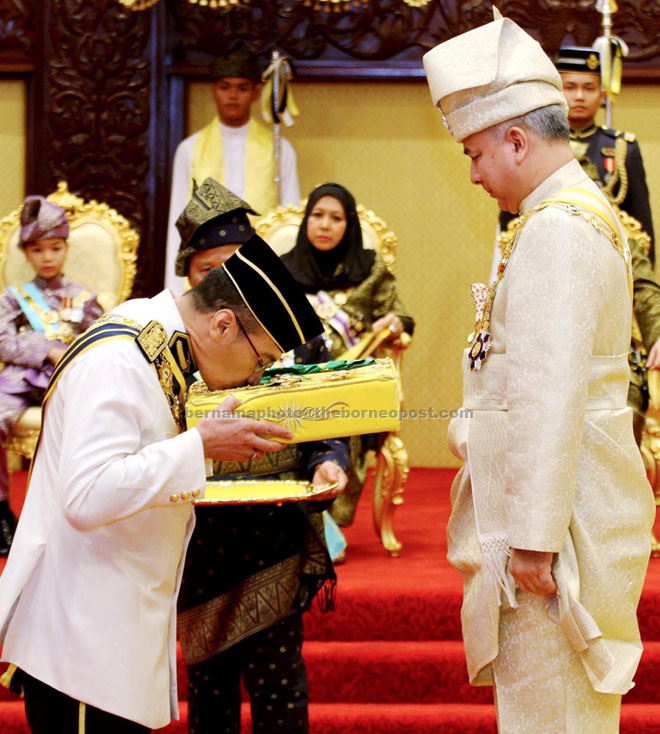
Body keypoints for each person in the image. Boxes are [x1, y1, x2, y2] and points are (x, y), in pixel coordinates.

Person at [0, 176, 327, 733]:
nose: (257, 374)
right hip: (81, 644)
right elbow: (84, 496)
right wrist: (199, 445)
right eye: (261, 358)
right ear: (223, 323)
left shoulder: (156, 341)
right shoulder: (122, 360)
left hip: (110, 634)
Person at [424, 9, 654, 732]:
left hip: (559, 529)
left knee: (551, 715)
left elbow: (550, 398)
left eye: (475, 153)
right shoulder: (568, 212)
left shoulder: (556, 230)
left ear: (517, 139)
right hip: (567, 508)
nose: (472, 173)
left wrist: (532, 541)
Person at [173, 184, 349, 733]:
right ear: (188, 276)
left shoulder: (292, 332)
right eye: (208, 271)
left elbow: (328, 417)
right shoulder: (172, 343)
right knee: (210, 685)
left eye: (232, 267)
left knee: (280, 683)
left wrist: (328, 462)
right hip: (199, 528)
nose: (221, 285)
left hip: (275, 525)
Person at [281, 183, 414, 539]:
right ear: (306, 220)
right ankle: (292, 517)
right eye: (318, 215)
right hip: (291, 381)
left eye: (336, 218)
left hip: (350, 383)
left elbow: (401, 317)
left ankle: (329, 523)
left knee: (346, 411)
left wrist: (393, 323)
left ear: (349, 224)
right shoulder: (281, 270)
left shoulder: (369, 269)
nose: (325, 225)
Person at [491, 45, 655, 279]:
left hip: (607, 269)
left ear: (602, 94)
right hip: (545, 265)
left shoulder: (623, 148)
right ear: (556, 92)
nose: (579, 96)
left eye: (589, 88)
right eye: (570, 87)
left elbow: (641, 227)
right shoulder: (532, 145)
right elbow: (511, 222)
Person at [0, 196, 103, 556]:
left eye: (55, 248)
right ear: (26, 253)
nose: (47, 257)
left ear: (66, 249)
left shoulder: (83, 298)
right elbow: (2, 342)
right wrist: (44, 348)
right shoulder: (13, 298)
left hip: (67, 379)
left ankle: (77, 508)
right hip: (19, 380)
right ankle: (1, 511)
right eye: (38, 249)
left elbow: (102, 342)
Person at [166, 49, 301, 295]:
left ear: (255, 92)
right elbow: (178, 221)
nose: (233, 96)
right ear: (213, 91)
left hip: (262, 271)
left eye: (242, 88)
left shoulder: (280, 149)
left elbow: (289, 223)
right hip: (206, 272)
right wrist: (175, 289)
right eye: (225, 87)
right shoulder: (190, 149)